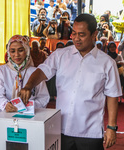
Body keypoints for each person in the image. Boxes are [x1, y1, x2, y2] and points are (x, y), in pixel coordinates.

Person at [19, 14, 122, 150]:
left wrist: (111, 127)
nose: (76, 38)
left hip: (90, 132)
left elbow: (112, 95)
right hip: (60, 128)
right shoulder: (61, 55)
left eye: (81, 34)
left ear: (94, 34)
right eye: (73, 33)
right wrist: (28, 85)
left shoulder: (107, 63)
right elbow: (42, 71)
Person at [0, 35, 49, 116]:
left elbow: (43, 97)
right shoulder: (1, 71)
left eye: (20, 50)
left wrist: (30, 106)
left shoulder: (35, 72)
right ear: (8, 52)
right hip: (5, 115)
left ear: (27, 51)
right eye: (12, 51)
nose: (16, 55)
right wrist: (5, 105)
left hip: (29, 117)